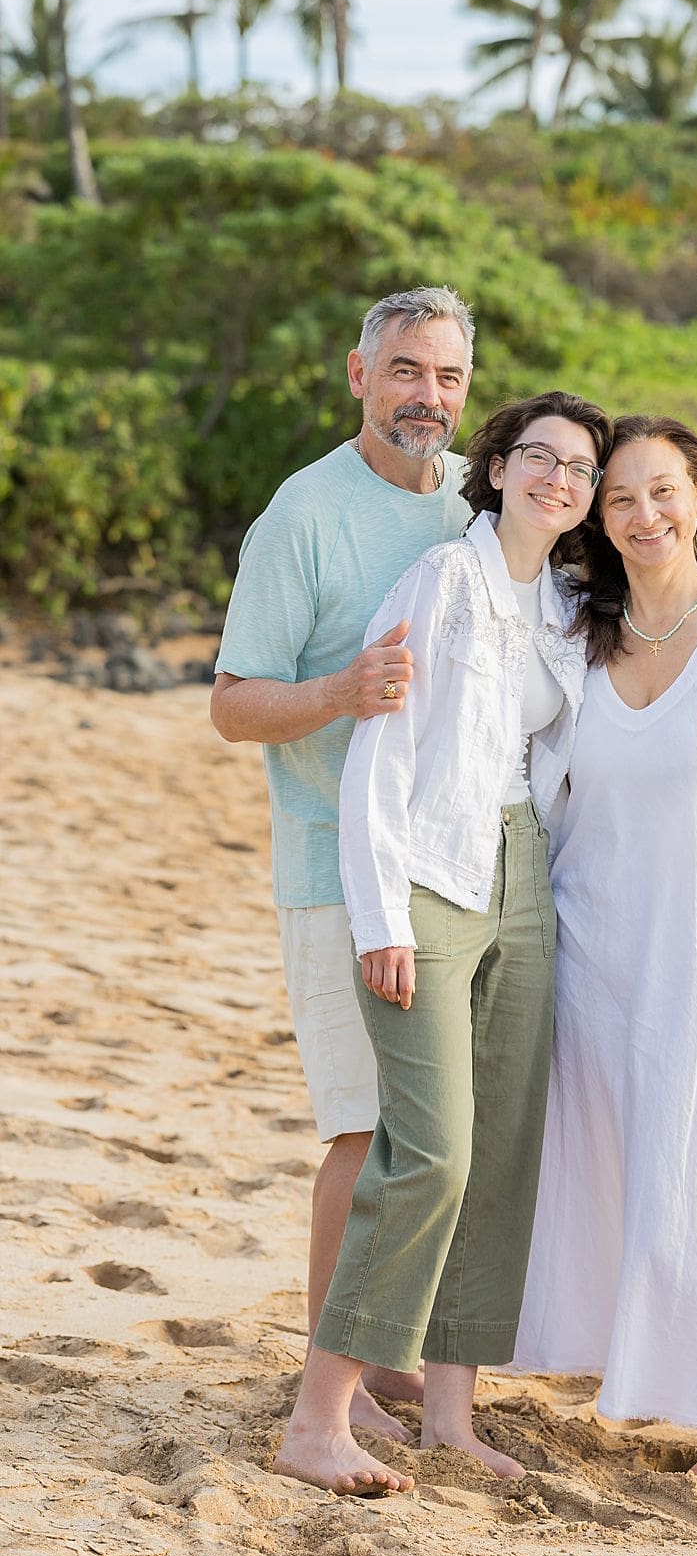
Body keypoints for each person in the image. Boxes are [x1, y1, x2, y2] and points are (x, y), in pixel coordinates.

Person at [274, 390, 613, 1496]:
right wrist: (380, 918)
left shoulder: (565, 602)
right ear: (500, 468)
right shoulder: (441, 583)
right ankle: (320, 1415)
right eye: (540, 457)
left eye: (579, 468)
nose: (559, 478)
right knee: (431, 1153)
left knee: (504, 1155)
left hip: (528, 880)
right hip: (427, 877)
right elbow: (378, 758)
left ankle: (450, 1417)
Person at [513, 416, 697, 1492]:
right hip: (591, 942)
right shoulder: (574, 639)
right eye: (621, 499)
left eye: (662, 491)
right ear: (599, 518)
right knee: (637, 1176)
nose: (644, 515)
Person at [210, 286, 475, 1445]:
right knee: (362, 1135)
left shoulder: (478, 501)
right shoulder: (302, 515)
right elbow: (232, 704)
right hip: (332, 866)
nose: (430, 396)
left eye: (450, 377)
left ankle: (390, 1352)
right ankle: (338, 1377)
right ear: (359, 376)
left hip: (457, 870)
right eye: (408, 371)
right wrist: (338, 694)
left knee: (435, 1134)